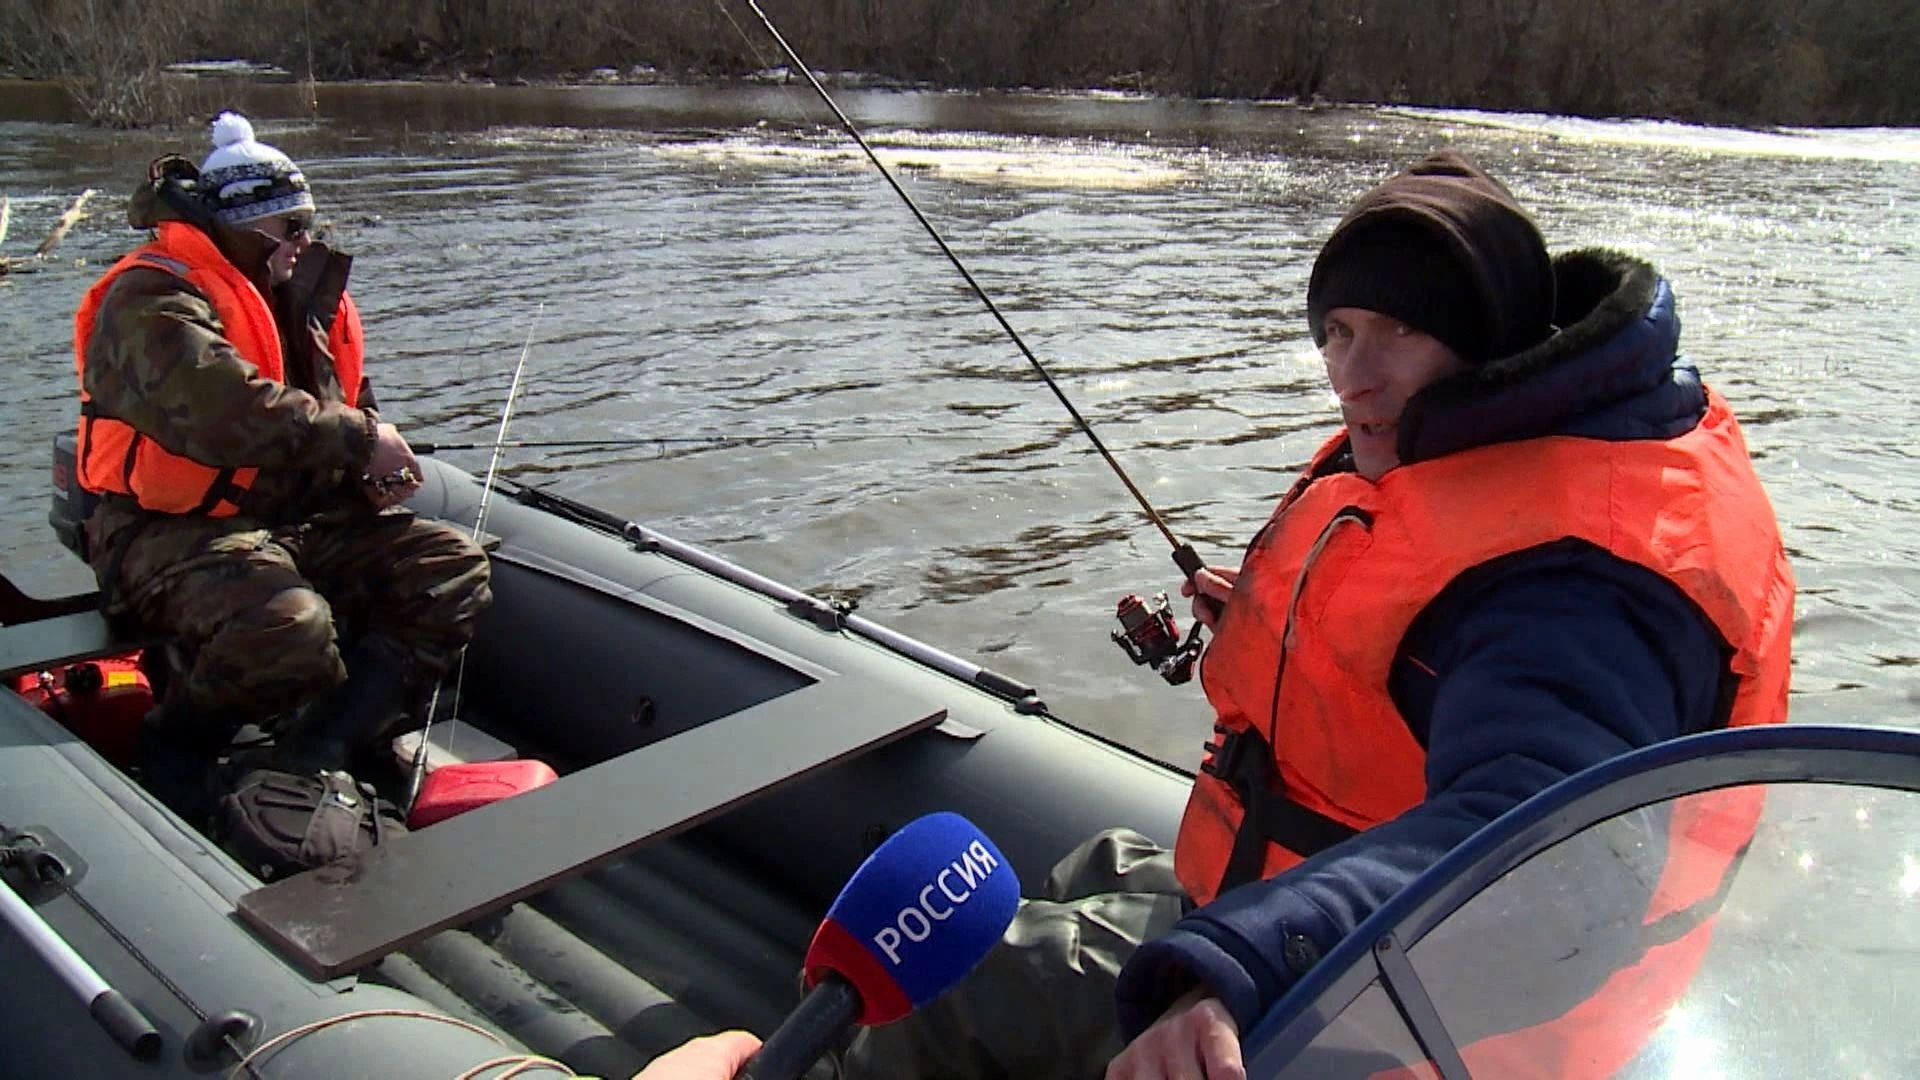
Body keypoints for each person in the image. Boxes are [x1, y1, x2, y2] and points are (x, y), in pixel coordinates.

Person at [840, 150, 1795, 1080]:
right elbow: (1424, 650)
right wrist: (1282, 624)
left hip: (1419, 1024)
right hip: (1333, 915)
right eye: (1336, 330)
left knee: (973, 987)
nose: (1353, 375)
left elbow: (1548, 872)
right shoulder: (1506, 448)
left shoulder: (1579, 585)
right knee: (1099, 864)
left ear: (1491, 337)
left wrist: (1241, 972)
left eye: (1397, 331)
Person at [70, 112, 492, 818]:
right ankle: (178, 748)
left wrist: (371, 471)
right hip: (165, 531)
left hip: (293, 519)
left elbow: (353, 404)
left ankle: (321, 749)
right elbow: (222, 410)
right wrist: (358, 440)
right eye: (289, 225)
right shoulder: (149, 300)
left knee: (449, 567)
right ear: (239, 225)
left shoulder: (303, 299)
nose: (305, 240)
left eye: (306, 223)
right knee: (290, 627)